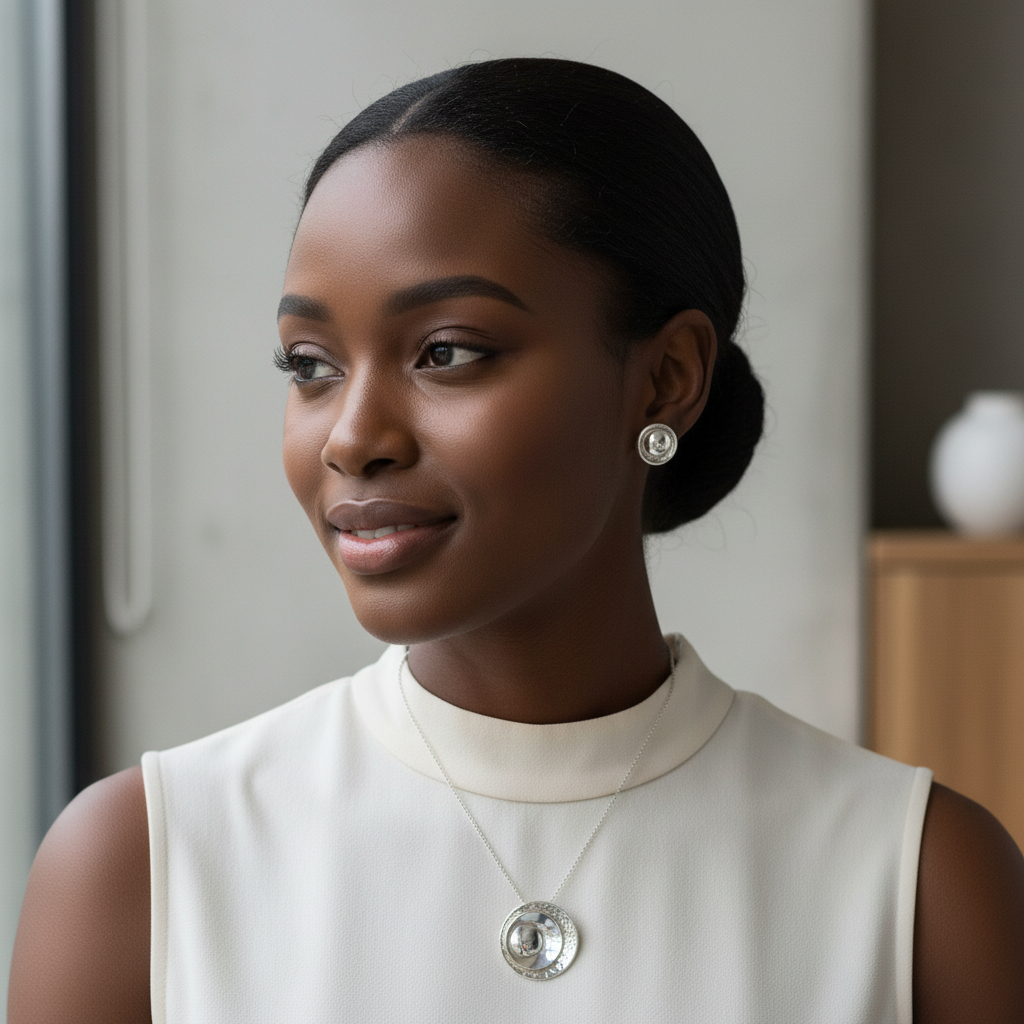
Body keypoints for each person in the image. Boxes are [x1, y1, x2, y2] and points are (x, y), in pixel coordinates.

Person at [8, 57, 1024, 1024]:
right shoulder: (141, 865)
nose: (352, 438)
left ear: (666, 376)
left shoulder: (922, 882)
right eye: (309, 363)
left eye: (446, 351)